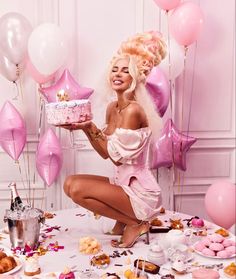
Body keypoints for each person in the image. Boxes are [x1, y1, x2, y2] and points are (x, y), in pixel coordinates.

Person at [61, 31, 167, 248]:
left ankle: (135, 222)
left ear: (135, 78)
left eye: (126, 71)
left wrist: (89, 126)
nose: (118, 74)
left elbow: (117, 159)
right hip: (122, 183)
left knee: (78, 188)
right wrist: (84, 128)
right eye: (115, 69)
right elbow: (104, 152)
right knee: (70, 183)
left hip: (139, 193)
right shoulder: (113, 108)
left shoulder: (133, 111)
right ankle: (127, 220)